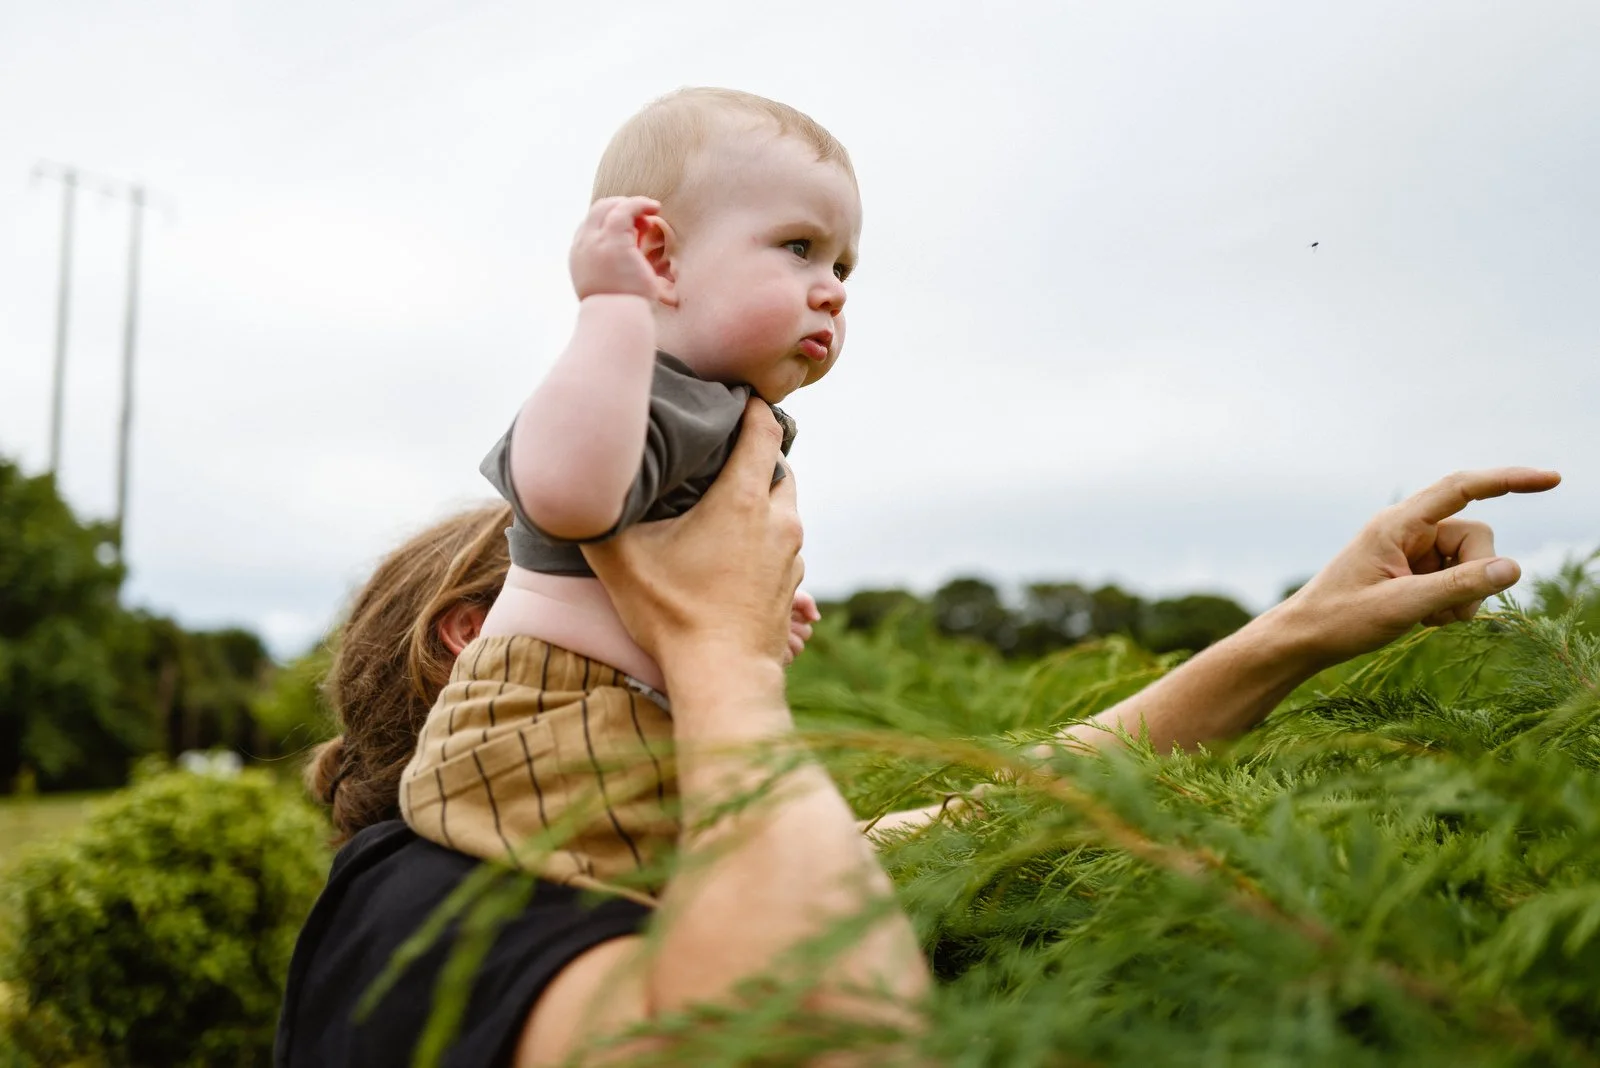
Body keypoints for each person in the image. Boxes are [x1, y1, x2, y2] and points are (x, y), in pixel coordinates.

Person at [277, 392, 1559, 1065]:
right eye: (705, 550)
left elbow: (1012, 797)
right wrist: (719, 648)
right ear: (474, 634)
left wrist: (1300, 628)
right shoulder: (425, 899)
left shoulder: (613, 861)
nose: (799, 600)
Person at [397, 87, 859, 891]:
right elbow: (567, 497)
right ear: (658, 257)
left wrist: (761, 615)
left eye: (842, 265)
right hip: (552, 718)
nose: (833, 289)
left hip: (643, 721)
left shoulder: (728, 413)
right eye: (798, 247)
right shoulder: (635, 381)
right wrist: (612, 309)